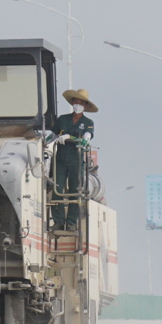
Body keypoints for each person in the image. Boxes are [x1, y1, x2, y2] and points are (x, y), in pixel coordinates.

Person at [51, 88, 97, 227]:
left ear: (85, 105)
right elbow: (52, 135)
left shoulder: (88, 122)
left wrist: (70, 137)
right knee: (56, 189)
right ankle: (58, 221)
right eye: (76, 101)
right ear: (72, 103)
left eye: (81, 102)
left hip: (76, 161)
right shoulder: (62, 119)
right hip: (60, 160)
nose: (78, 104)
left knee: (75, 191)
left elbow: (86, 138)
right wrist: (41, 141)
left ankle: (71, 222)